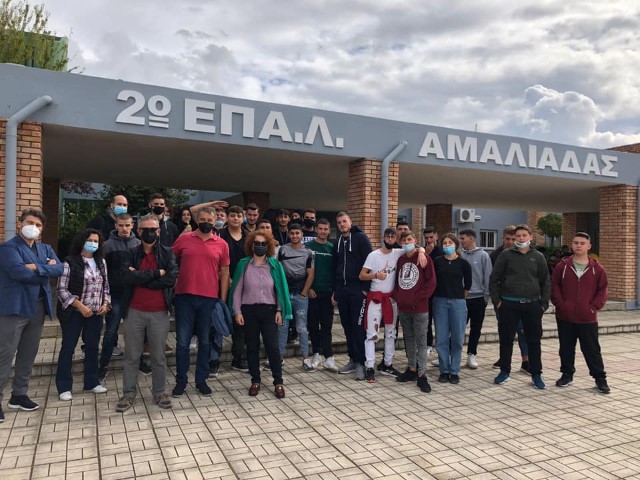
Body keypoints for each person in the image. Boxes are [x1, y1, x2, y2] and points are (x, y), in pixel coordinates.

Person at [0, 209, 64, 420]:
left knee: (28, 353)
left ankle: (19, 394)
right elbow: (19, 273)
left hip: (38, 307)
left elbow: (60, 269)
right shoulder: (8, 248)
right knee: (5, 354)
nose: (33, 227)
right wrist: (44, 269)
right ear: (20, 223)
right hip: (14, 308)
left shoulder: (45, 248)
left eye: (38, 225)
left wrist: (35, 267)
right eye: (29, 223)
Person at [115, 215, 178, 412]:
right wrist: (157, 273)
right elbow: (126, 277)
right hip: (134, 311)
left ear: (158, 231)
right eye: (145, 229)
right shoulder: (130, 253)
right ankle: (128, 394)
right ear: (139, 231)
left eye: (153, 229)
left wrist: (141, 278)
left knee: (158, 356)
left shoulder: (167, 253)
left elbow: (171, 278)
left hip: (159, 312)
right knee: (132, 355)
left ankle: (159, 393)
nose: (149, 233)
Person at [172, 206, 230, 397]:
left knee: (205, 342)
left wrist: (222, 299)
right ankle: (181, 381)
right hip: (184, 297)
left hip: (208, 299)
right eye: (203, 219)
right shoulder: (184, 239)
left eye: (210, 220)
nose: (206, 223)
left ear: (215, 221)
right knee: (182, 343)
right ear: (197, 220)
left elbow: (224, 272)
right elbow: (170, 259)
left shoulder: (222, 244)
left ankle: (201, 380)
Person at [359, 228, 427, 383]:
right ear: (383, 238)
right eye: (387, 236)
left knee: (391, 333)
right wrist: (376, 275)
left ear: (396, 239)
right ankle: (369, 367)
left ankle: (387, 364)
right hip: (376, 298)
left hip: (391, 299)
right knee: (372, 334)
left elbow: (416, 248)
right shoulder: (373, 255)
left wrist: (422, 252)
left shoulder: (398, 252)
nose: (390, 239)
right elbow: (361, 275)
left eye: (393, 237)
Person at [229, 230, 292, 398]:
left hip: (270, 311)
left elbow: (280, 290)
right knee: (252, 347)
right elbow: (237, 290)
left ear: (269, 246)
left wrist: (279, 310)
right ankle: (255, 380)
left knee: (273, 347)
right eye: (257, 243)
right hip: (249, 311)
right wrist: (237, 311)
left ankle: (278, 382)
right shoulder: (244, 264)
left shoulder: (274, 265)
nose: (260, 246)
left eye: (264, 244)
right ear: (251, 245)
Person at [490, 224, 550, 389]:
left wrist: (544, 304)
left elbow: (545, 281)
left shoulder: (538, 257)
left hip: (532, 305)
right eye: (518, 236)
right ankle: (504, 371)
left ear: (531, 237)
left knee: (534, 341)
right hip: (508, 304)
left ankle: (536, 374)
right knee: (506, 339)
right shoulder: (505, 255)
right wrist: (497, 301)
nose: (521, 238)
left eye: (524, 235)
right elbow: (494, 279)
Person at [551, 232, 610, 393]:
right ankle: (567, 375)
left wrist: (593, 307)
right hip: (565, 316)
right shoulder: (562, 266)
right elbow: (555, 286)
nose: (578, 245)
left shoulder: (597, 269)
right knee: (566, 348)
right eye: (576, 242)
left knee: (592, 350)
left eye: (582, 243)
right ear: (572, 245)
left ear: (589, 246)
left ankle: (600, 379)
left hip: (587, 317)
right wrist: (561, 305)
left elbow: (602, 290)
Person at [56, 228, 111, 401]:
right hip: (74, 312)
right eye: (90, 240)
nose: (93, 244)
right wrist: (79, 306)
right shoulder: (70, 262)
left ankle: (92, 382)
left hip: (95, 313)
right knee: (68, 347)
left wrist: (105, 303)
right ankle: (64, 386)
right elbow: (61, 289)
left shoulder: (101, 262)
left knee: (92, 347)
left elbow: (106, 287)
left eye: (96, 241)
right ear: (82, 241)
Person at [99, 213, 141, 380]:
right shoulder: (106, 245)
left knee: (137, 332)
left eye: (127, 225)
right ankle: (103, 365)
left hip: (134, 295)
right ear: (116, 226)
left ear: (132, 226)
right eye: (121, 225)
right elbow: (101, 272)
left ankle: (139, 361)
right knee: (111, 331)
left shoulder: (139, 244)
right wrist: (105, 297)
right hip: (115, 295)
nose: (124, 228)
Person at [394, 231, 436, 392]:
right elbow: (398, 281)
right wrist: (399, 297)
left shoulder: (424, 258)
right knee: (409, 339)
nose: (407, 242)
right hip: (403, 307)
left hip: (419, 308)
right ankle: (411, 368)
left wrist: (418, 298)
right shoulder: (401, 260)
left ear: (415, 240)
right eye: (404, 240)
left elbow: (431, 283)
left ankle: (422, 374)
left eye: (409, 239)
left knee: (421, 341)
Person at [332, 212, 372, 379]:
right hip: (342, 290)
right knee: (347, 326)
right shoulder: (337, 243)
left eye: (344, 221)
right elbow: (335, 266)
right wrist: (335, 290)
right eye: (339, 222)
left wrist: (365, 288)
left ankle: (362, 362)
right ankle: (353, 359)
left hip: (357, 290)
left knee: (358, 327)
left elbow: (370, 262)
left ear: (350, 222)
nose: (342, 224)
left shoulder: (361, 238)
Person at [432, 233, 472, 384]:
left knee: (457, 337)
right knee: (441, 338)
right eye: (445, 243)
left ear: (456, 245)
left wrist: (458, 296)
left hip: (458, 303)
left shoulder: (463, 263)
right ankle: (444, 370)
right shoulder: (437, 262)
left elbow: (468, 284)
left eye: (450, 242)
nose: (447, 245)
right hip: (440, 302)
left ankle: (454, 370)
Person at [489, 225, 529, 372]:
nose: (511, 242)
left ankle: (526, 361)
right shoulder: (495, 255)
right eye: (508, 239)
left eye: (513, 239)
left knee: (523, 331)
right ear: (502, 238)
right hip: (503, 301)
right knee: (505, 332)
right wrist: (496, 300)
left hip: (521, 300)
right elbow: (492, 279)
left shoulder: (526, 253)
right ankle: (504, 359)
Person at [277, 223, 315, 371]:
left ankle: (306, 359)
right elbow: (279, 272)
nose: (294, 236)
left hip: (301, 295)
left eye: (297, 233)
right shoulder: (282, 250)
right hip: (285, 295)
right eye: (292, 233)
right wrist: (282, 293)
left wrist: (304, 293)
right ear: (289, 234)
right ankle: (279, 358)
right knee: (282, 327)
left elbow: (311, 274)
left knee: (301, 327)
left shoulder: (308, 252)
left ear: (301, 235)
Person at [219, 205, 249, 372]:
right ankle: (213, 359)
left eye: (239, 215)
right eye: (232, 215)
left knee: (241, 322)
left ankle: (238, 357)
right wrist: (225, 278)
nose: (236, 218)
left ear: (243, 217)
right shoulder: (219, 235)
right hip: (223, 283)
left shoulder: (249, 236)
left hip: (245, 285)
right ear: (227, 217)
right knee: (220, 319)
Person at [306, 218, 338, 372]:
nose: (323, 231)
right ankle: (316, 354)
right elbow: (303, 269)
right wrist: (309, 288)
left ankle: (329, 357)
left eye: (326, 229)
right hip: (312, 292)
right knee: (313, 325)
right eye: (320, 228)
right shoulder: (308, 247)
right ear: (316, 229)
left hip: (328, 293)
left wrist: (334, 292)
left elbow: (336, 272)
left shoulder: (333, 248)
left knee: (326, 326)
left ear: (329, 231)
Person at [459, 229, 492, 369]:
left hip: (478, 298)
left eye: (463, 238)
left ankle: (471, 354)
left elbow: (488, 276)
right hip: (462, 298)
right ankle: (450, 353)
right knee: (457, 328)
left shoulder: (483, 255)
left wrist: (486, 296)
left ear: (471, 238)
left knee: (476, 328)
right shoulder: (460, 255)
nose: (461, 241)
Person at [423, 227, 442, 358]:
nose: (429, 240)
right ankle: (428, 345)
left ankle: (440, 347)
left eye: (431, 237)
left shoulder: (442, 251)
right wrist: (427, 254)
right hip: (428, 293)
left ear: (436, 236)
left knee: (440, 322)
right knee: (427, 320)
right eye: (426, 238)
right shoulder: (422, 251)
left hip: (440, 292)